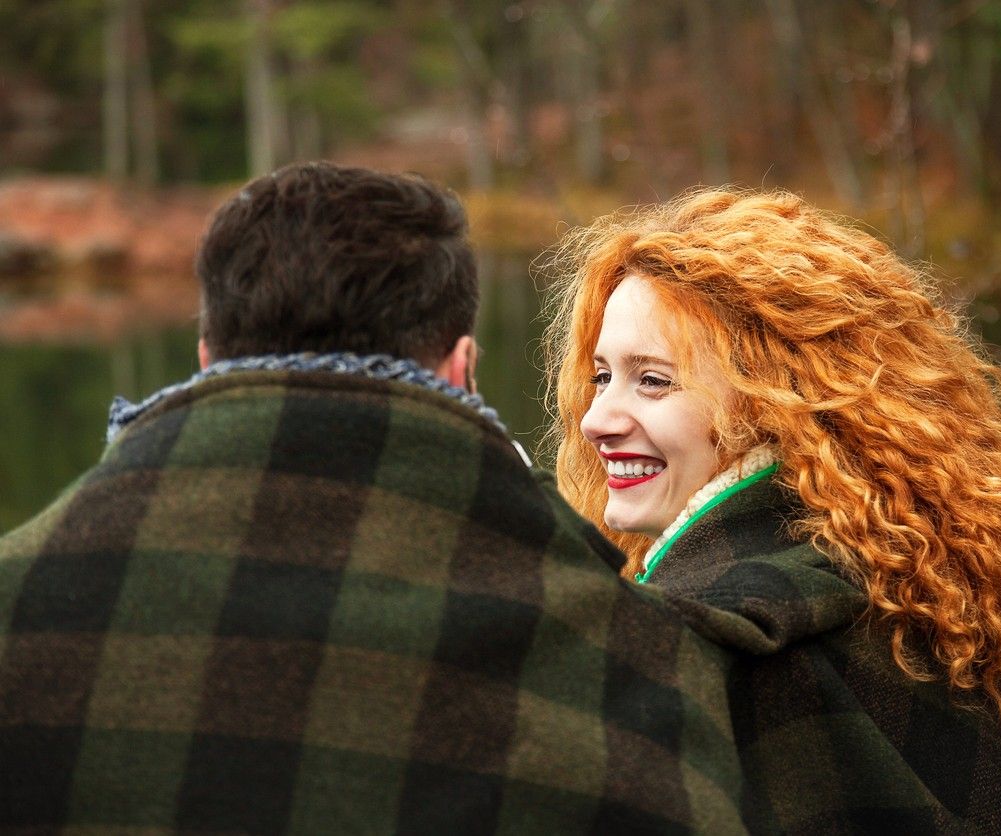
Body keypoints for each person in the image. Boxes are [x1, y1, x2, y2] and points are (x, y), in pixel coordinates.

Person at [0, 163, 748, 833]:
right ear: (461, 369)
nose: (597, 420)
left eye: (651, 380)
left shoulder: (18, 595)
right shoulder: (638, 664)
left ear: (205, 360)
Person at [543, 187, 1001, 834]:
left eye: (653, 380)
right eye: (601, 376)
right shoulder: (926, 596)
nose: (596, 419)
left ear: (773, 404)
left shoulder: (699, 647)